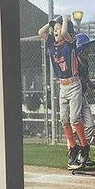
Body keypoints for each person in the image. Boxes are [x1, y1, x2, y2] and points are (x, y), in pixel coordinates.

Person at [38, 15, 89, 169]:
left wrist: (65, 20)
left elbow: (66, 33)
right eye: (55, 29)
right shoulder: (52, 44)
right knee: (63, 120)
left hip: (74, 85)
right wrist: (52, 23)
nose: (56, 31)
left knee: (74, 119)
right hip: (62, 87)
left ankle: (84, 146)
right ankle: (73, 148)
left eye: (59, 29)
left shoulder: (70, 42)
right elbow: (41, 31)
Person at [75, 32, 95, 167]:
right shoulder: (74, 62)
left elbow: (85, 79)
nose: (89, 49)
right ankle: (78, 154)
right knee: (77, 127)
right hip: (73, 98)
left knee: (90, 126)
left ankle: (83, 153)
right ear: (80, 48)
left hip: (82, 97)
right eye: (86, 46)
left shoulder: (85, 61)